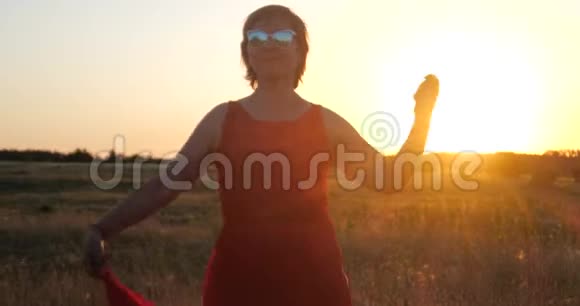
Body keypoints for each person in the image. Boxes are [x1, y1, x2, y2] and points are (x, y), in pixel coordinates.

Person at [83, 4, 439, 306]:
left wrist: (422, 117)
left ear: (301, 51)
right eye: (257, 37)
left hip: (316, 281)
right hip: (239, 280)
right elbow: (164, 186)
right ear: (246, 51)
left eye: (283, 37)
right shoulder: (221, 120)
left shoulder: (326, 122)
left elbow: (391, 180)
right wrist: (103, 227)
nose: (270, 45)